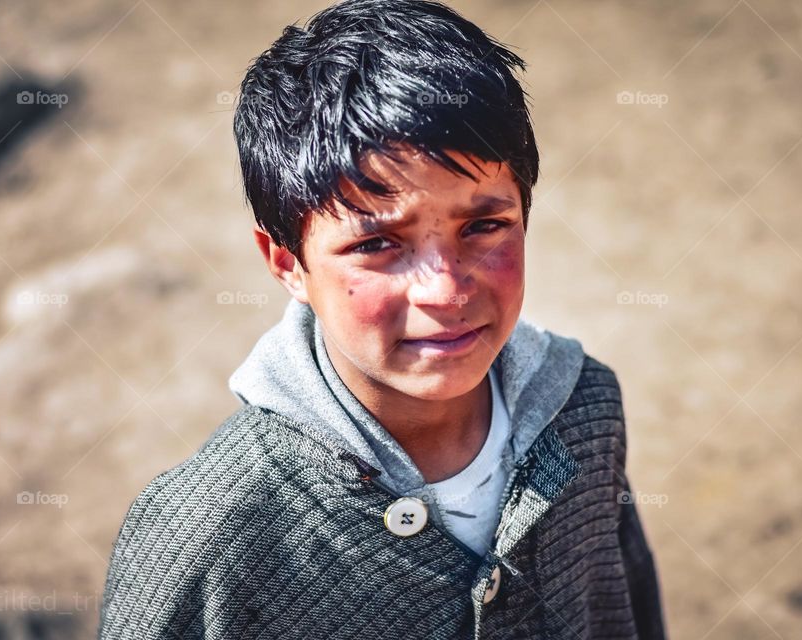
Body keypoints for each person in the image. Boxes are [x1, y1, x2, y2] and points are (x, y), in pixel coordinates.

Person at [98, 1, 667, 638]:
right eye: (376, 245)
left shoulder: (586, 411)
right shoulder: (210, 532)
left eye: (483, 226)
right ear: (287, 262)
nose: (445, 291)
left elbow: (626, 612)